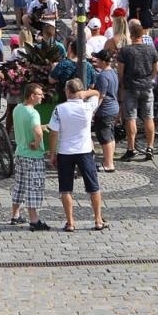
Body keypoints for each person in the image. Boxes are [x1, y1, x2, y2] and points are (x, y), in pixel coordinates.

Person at [48, 78, 107, 232]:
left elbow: (53, 134)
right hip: (85, 150)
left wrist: (52, 153)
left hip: (65, 151)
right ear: (80, 91)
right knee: (93, 187)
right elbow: (97, 93)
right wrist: (86, 92)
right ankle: (98, 219)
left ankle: (70, 222)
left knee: (66, 189)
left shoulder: (59, 109)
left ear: (67, 91)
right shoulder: (88, 107)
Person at [8, 82, 51, 230]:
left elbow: (27, 126)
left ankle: (15, 215)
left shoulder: (18, 109)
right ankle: (34, 220)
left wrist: (41, 127)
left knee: (19, 185)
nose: (42, 97)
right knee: (34, 187)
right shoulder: (33, 113)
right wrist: (37, 143)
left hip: (20, 152)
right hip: (33, 156)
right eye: (40, 94)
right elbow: (37, 132)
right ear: (32, 96)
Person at [116, 20, 158, 161]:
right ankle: (150, 147)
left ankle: (131, 148)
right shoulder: (151, 49)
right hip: (147, 87)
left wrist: (122, 84)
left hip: (131, 87)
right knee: (148, 117)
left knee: (131, 118)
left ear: (131, 35)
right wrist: (149, 79)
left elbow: (120, 71)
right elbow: (156, 69)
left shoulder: (125, 50)